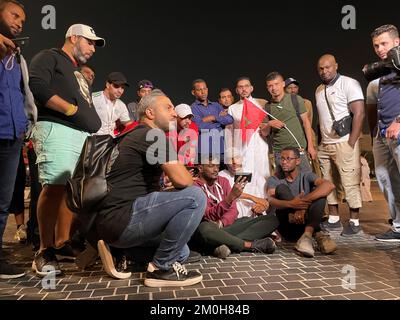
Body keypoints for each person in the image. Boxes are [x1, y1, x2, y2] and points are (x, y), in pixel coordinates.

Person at [93, 89, 206, 287]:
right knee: (195, 196)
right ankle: (161, 269)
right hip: (124, 218)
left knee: (183, 251)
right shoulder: (153, 135)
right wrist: (183, 178)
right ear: (150, 113)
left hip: (111, 222)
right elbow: (185, 181)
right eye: (168, 107)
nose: (174, 113)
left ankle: (122, 252)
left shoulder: (134, 133)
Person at [29, 23, 105, 276]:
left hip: (81, 134)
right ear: (73, 37)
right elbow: (37, 85)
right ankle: (44, 250)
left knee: (70, 191)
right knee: (54, 187)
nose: (93, 48)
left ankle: (61, 243)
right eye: (90, 41)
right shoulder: (50, 56)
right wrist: (71, 110)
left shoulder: (76, 72)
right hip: (58, 127)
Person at [0, 0, 36, 279]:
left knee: (2, 201)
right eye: (15, 16)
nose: (20, 22)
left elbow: (23, 94)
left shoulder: (18, 57)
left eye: (23, 20)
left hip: (12, 137)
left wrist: (26, 125)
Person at [315, 54, 365, 236]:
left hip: (344, 143)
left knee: (350, 182)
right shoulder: (319, 89)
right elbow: (321, 119)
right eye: (321, 68)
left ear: (336, 66)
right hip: (325, 145)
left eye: (328, 67)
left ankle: (354, 222)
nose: (324, 71)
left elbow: (359, 113)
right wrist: (320, 142)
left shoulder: (349, 83)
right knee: (328, 183)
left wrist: (351, 142)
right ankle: (334, 219)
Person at [191, 157, 279, 259]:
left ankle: (217, 244)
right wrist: (230, 198)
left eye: (217, 166)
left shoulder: (223, 181)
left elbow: (233, 210)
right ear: (200, 168)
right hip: (208, 228)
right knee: (205, 228)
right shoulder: (194, 187)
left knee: (272, 219)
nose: (216, 170)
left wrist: (221, 223)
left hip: (224, 227)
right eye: (211, 166)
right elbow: (208, 215)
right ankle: (250, 245)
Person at [267, 147, 337, 258]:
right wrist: (292, 204)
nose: (284, 162)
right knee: (281, 188)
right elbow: (271, 200)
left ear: (298, 161)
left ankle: (307, 236)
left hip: (305, 223)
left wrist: (302, 205)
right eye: (282, 159)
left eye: (289, 159)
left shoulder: (306, 175)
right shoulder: (275, 179)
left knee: (319, 194)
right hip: (287, 225)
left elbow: (329, 185)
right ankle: (318, 234)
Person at [366, 24, 400, 242]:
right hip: (383, 134)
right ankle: (398, 226)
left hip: (398, 131)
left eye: (384, 43)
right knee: (386, 180)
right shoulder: (382, 72)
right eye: (376, 45)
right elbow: (373, 107)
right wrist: (375, 133)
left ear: (397, 42)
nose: (379, 48)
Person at [225, 77, 270, 210]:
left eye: (246, 86)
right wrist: (231, 154)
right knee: (245, 178)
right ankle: (245, 213)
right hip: (242, 148)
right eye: (240, 87)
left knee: (262, 178)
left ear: (251, 88)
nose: (244, 89)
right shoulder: (232, 108)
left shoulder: (260, 104)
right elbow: (229, 132)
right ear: (237, 90)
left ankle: (264, 210)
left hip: (260, 146)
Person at [264, 72, 316, 177]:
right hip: (280, 153)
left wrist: (310, 146)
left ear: (283, 84)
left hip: (298, 150)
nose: (273, 88)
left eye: (276, 84)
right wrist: (269, 124)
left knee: (307, 181)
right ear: (267, 88)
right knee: (285, 186)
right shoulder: (267, 107)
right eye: (270, 85)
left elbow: (306, 123)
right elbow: (265, 133)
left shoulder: (295, 99)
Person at [219, 148, 271, 218]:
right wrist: (253, 198)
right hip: (237, 219)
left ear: (242, 158)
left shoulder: (254, 173)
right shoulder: (222, 175)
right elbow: (231, 193)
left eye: (237, 157)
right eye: (229, 159)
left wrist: (262, 206)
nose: (234, 162)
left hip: (258, 216)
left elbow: (265, 197)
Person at [191, 79, 233, 163]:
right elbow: (199, 126)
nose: (203, 92)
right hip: (204, 151)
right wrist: (219, 122)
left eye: (205, 89)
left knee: (222, 174)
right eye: (199, 90)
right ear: (193, 92)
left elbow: (229, 119)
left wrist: (213, 117)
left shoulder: (216, 105)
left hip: (220, 149)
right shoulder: (193, 108)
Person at [93, 72, 133, 137]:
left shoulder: (121, 105)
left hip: (110, 141)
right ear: (108, 85)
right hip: (93, 139)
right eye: (116, 86)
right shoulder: (93, 98)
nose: (120, 91)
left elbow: (128, 124)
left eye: (122, 88)